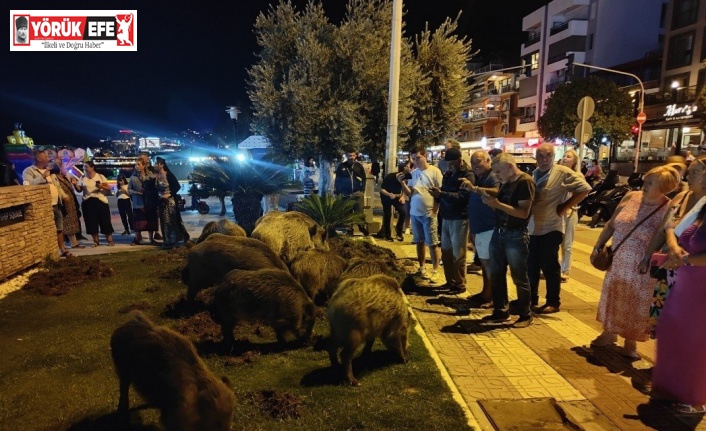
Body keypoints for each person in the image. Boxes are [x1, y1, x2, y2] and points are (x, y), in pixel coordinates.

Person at [590, 166, 679, 358]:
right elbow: (611, 223)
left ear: (664, 187)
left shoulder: (668, 207)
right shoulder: (631, 196)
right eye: (645, 180)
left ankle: (630, 343)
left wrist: (647, 257)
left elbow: (660, 236)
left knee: (636, 302)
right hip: (618, 258)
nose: (644, 185)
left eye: (650, 183)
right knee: (614, 296)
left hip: (641, 264)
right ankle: (609, 333)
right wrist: (598, 246)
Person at [651, 203, 706, 414]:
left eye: (696, 172)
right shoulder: (701, 206)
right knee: (671, 332)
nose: (690, 176)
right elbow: (673, 228)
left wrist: (686, 259)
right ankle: (671, 390)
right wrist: (674, 248)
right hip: (684, 284)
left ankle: (694, 399)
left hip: (701, 291)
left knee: (695, 342)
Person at [526, 144, 590, 313]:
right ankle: (531, 299)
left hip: (551, 228)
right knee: (531, 265)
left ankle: (553, 302)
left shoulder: (562, 172)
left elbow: (585, 188)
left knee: (549, 266)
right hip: (533, 228)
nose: (544, 159)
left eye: (548, 155)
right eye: (540, 156)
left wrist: (565, 207)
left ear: (554, 156)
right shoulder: (535, 173)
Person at [480, 153, 536, 327]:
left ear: (510, 167)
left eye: (498, 172)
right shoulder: (508, 182)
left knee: (519, 276)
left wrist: (496, 204)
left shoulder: (524, 182)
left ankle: (525, 314)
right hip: (499, 232)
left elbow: (523, 212)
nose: (497, 176)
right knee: (495, 274)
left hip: (515, 234)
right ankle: (500, 311)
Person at [397, 146, 444, 284]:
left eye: (418, 158)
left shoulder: (435, 171)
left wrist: (435, 209)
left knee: (432, 243)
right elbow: (410, 192)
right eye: (413, 158)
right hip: (414, 213)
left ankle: (435, 270)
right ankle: (422, 267)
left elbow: (440, 192)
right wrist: (402, 183)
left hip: (428, 213)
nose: (416, 161)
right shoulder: (414, 172)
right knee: (419, 242)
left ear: (425, 156)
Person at [460, 150, 501, 307]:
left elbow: (497, 192)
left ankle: (493, 297)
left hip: (489, 228)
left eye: (479, 161)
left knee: (489, 264)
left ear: (488, 161)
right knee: (484, 264)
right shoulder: (481, 177)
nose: (475, 165)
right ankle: (486, 292)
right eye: (473, 161)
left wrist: (475, 189)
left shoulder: (493, 176)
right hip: (480, 228)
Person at [430, 148, 474, 293]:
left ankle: (460, 284)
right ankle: (450, 281)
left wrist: (441, 193)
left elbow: (462, 197)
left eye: (453, 162)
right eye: (448, 163)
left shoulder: (467, 175)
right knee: (446, 252)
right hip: (446, 217)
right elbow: (444, 193)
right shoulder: (448, 174)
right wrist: (437, 194)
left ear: (460, 160)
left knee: (458, 254)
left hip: (459, 218)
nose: (450, 165)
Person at [23, 149, 72, 257]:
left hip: (56, 204)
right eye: (45, 156)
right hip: (42, 206)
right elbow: (27, 186)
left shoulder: (51, 171)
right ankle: (48, 252)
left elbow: (56, 186)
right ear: (38, 159)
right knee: (46, 229)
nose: (48, 158)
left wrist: (64, 196)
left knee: (59, 228)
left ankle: (63, 250)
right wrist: (42, 177)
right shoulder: (29, 171)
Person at [73, 161, 115, 247]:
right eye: (84, 167)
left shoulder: (100, 176)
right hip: (88, 201)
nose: (85, 168)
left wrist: (101, 187)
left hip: (100, 200)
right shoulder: (83, 177)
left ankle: (110, 240)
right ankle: (96, 241)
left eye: (86, 167)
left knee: (105, 221)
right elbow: (79, 190)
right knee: (91, 222)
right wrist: (74, 184)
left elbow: (108, 188)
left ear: (92, 167)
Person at [155, 157, 189, 247]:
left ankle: (173, 239)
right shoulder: (157, 176)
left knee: (170, 221)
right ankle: (167, 240)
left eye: (157, 163)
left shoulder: (168, 174)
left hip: (170, 202)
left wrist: (169, 194)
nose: (155, 165)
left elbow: (177, 186)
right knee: (163, 221)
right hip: (161, 201)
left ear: (162, 165)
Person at [334, 150, 369, 236]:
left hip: (357, 193)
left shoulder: (359, 166)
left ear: (356, 156)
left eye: (353, 155)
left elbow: (364, 179)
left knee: (359, 211)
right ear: (347, 156)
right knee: (348, 212)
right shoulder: (341, 166)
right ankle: (349, 230)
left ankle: (361, 227)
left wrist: (362, 190)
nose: (352, 157)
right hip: (346, 194)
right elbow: (337, 180)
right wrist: (338, 191)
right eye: (350, 156)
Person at [52, 156, 84, 249]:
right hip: (63, 204)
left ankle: (74, 242)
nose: (65, 169)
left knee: (72, 223)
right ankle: (66, 244)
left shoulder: (65, 178)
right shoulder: (55, 179)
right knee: (64, 225)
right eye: (63, 167)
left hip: (71, 204)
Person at [559, 150, 581, 282]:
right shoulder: (558, 174)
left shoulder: (577, 175)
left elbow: (582, 194)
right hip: (558, 213)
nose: (565, 158)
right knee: (555, 243)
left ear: (574, 161)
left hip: (571, 213)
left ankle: (565, 271)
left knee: (567, 244)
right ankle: (553, 269)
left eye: (568, 156)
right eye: (563, 156)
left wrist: (570, 206)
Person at [128, 158, 157, 245]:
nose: (137, 166)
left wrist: (147, 191)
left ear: (144, 166)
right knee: (138, 222)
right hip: (138, 203)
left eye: (139, 164)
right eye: (136, 165)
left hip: (149, 203)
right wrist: (137, 193)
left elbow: (155, 188)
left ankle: (151, 239)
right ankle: (137, 239)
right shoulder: (133, 178)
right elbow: (129, 190)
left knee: (150, 222)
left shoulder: (150, 176)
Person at [378, 164, 406, 242]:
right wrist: (389, 194)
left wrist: (402, 196)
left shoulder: (404, 179)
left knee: (402, 212)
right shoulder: (390, 177)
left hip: (397, 196)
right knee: (388, 214)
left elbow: (404, 189)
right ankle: (387, 234)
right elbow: (382, 189)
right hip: (386, 195)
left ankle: (399, 232)